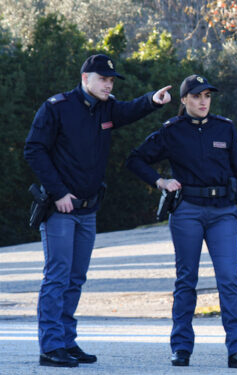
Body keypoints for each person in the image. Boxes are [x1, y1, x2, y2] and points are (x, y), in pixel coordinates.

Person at [23, 54, 172, 367]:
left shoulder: (106, 107)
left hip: (88, 209)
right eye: (103, 79)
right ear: (85, 78)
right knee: (58, 277)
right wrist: (59, 191)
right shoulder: (57, 107)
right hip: (60, 209)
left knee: (76, 278)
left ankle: (66, 341)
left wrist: (153, 100)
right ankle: (51, 347)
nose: (109, 84)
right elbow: (33, 150)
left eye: (111, 80)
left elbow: (130, 110)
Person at [125, 74, 237, 369]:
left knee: (228, 281)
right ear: (184, 100)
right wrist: (160, 181)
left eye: (207, 96)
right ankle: (181, 348)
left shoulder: (225, 128)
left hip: (223, 212)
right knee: (187, 281)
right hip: (187, 211)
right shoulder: (172, 131)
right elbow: (135, 159)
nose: (202, 102)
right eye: (196, 96)